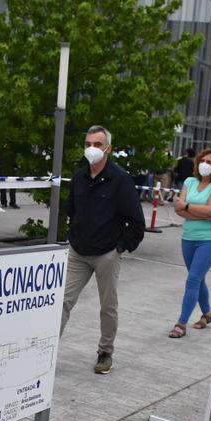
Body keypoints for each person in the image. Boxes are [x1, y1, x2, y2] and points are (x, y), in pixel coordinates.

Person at [61, 125, 145, 374]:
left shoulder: (120, 180)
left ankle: (105, 352)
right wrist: (72, 235)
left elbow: (136, 222)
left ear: (108, 148)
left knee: (108, 306)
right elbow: (72, 211)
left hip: (107, 254)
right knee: (62, 302)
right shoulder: (79, 178)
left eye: (97, 145)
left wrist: (120, 248)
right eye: (88, 144)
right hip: (78, 252)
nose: (91, 149)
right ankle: (48, 349)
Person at [169, 148, 211, 339]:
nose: (205, 164)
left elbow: (210, 208)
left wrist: (188, 207)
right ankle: (207, 314)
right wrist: (203, 212)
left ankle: (181, 323)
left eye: (210, 162)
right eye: (202, 160)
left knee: (193, 279)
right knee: (198, 278)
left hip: (208, 240)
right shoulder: (189, 181)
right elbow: (178, 209)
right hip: (188, 237)